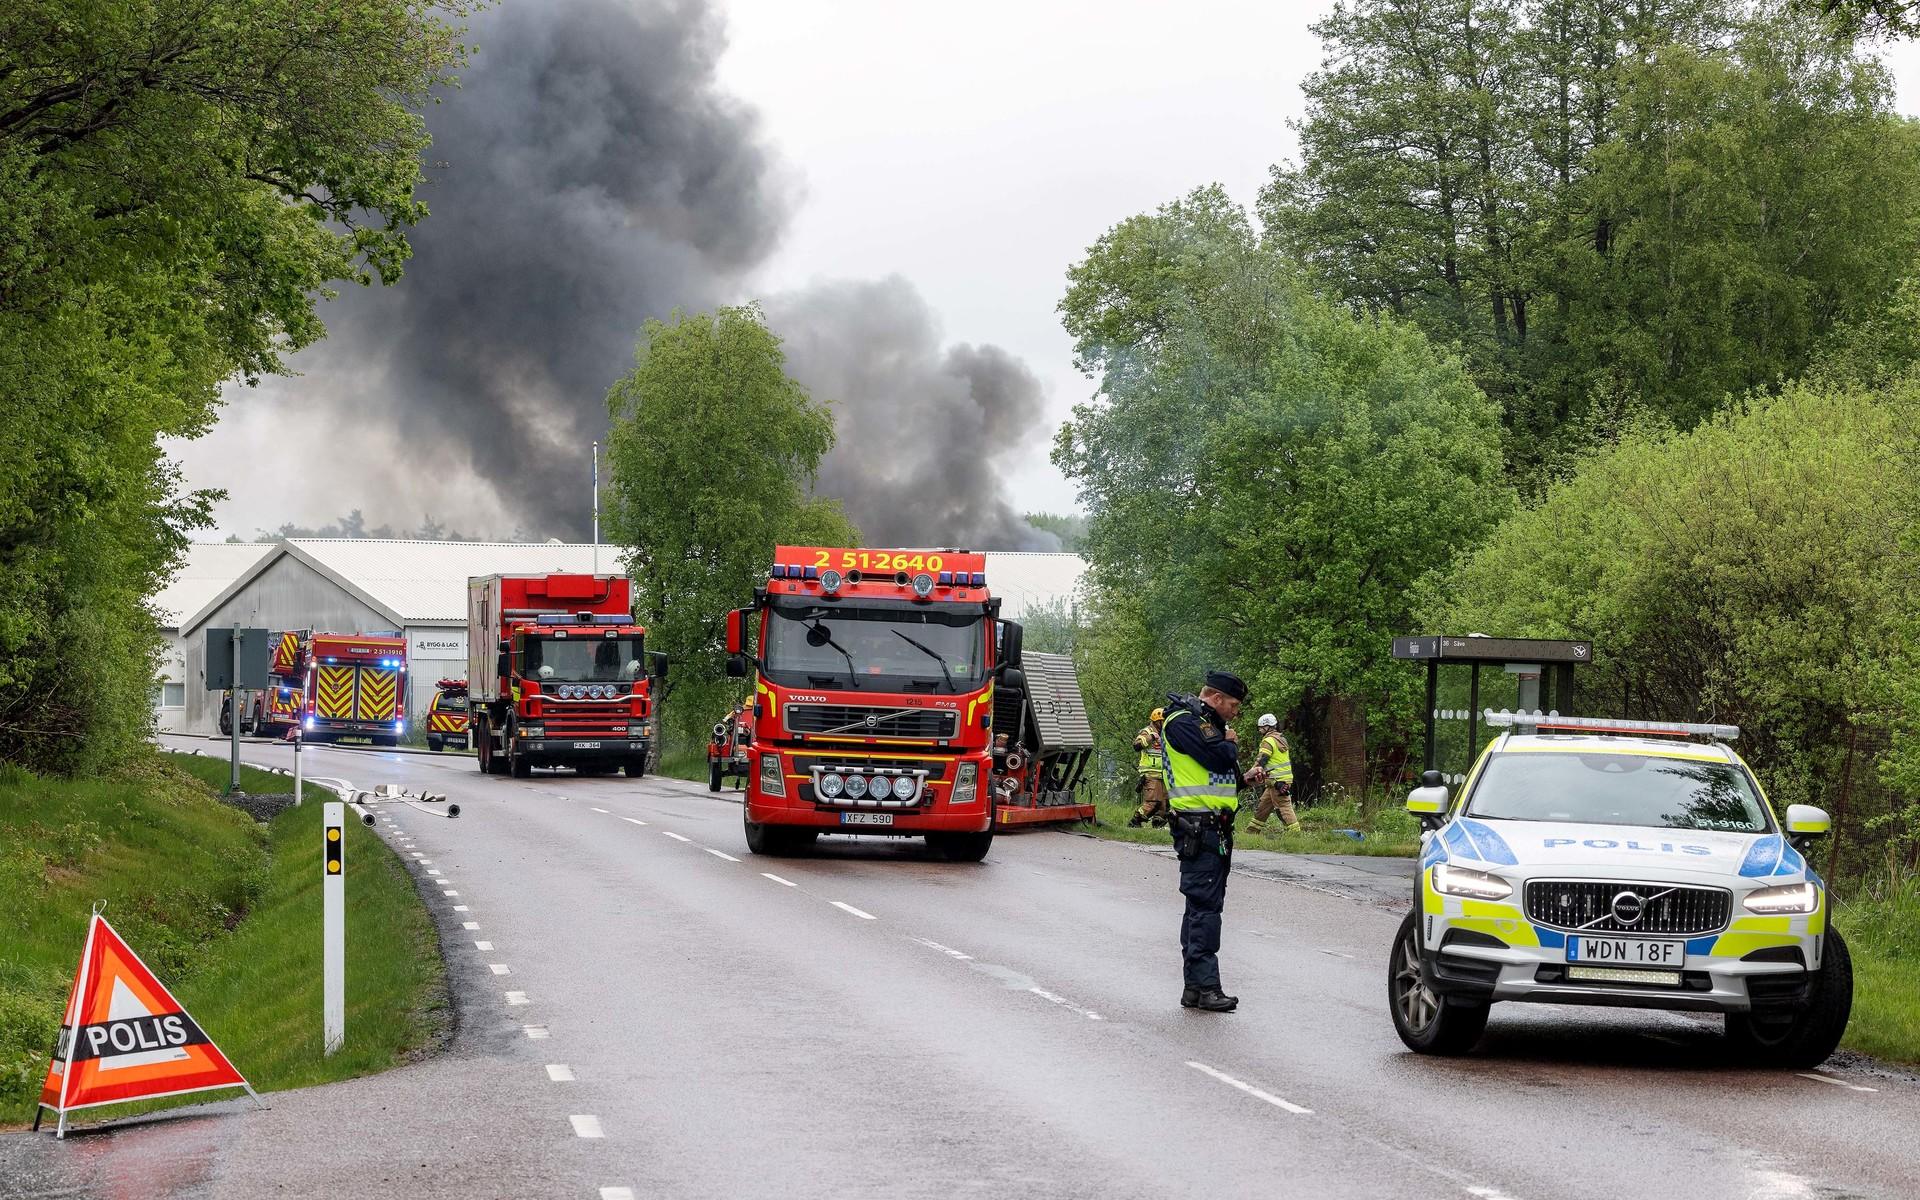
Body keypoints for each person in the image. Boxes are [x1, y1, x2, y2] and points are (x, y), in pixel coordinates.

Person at [1160, 670, 1247, 1012]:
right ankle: (1207, 987)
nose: (1235, 712)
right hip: (1199, 829)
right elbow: (1218, 757)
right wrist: (1228, 743)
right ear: (1216, 697)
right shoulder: (1183, 722)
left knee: (1201, 908)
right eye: (1234, 705)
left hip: (1216, 828)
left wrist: (1245, 775)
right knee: (1204, 911)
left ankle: (1195, 989)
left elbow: (1223, 772)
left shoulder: (1207, 726)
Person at [1244, 713, 1301, 835]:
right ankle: (1251, 833)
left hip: (1278, 781)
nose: (1259, 730)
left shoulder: (1268, 741)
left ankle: (1295, 835)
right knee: (1263, 807)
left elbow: (1262, 760)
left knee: (1284, 808)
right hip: (1277, 780)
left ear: (1267, 727)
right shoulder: (1281, 739)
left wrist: (1249, 774)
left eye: (1261, 727)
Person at [1127, 708, 1169, 827]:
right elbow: (1137, 745)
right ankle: (1135, 822)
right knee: (1153, 802)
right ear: (1157, 721)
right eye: (1163, 721)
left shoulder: (1165, 733)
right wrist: (1151, 737)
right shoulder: (1147, 731)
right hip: (1150, 773)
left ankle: (1158, 826)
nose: (1165, 723)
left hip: (1164, 773)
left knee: (1164, 804)